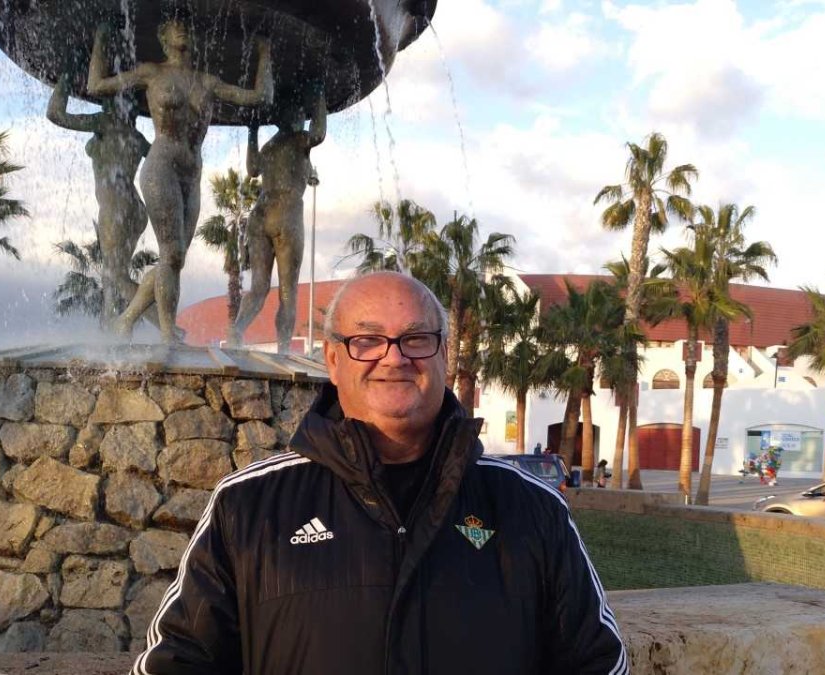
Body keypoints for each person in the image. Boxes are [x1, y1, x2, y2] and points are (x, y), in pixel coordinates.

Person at [131, 272, 627, 674]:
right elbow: (179, 660)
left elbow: (596, 661)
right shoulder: (248, 506)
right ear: (331, 358)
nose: (394, 357)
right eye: (367, 340)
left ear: (443, 354)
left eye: (415, 338)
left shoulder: (529, 507)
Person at [89, 21, 273, 342]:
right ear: (162, 38)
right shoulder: (151, 72)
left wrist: (264, 51)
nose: (183, 30)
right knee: (172, 254)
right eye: (174, 27)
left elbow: (259, 97)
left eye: (187, 26)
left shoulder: (207, 81)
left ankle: (127, 320)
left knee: (174, 258)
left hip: (192, 174)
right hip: (161, 165)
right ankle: (166, 337)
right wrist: (101, 40)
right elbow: (96, 86)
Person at [46, 77, 150, 323]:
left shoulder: (105, 122)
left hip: (115, 204)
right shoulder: (137, 138)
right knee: (113, 275)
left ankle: (166, 325)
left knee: (114, 275)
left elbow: (56, 114)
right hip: (136, 208)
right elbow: (161, 159)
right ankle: (111, 329)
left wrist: (67, 77)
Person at [230, 89, 327, 353]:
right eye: (301, 114)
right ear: (294, 117)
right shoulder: (300, 140)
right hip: (287, 212)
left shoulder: (269, 145)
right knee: (288, 289)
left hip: (260, 213)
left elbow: (252, 170)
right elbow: (319, 134)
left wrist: (252, 131)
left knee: (259, 287)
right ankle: (284, 349)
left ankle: (236, 331)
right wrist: (320, 96)